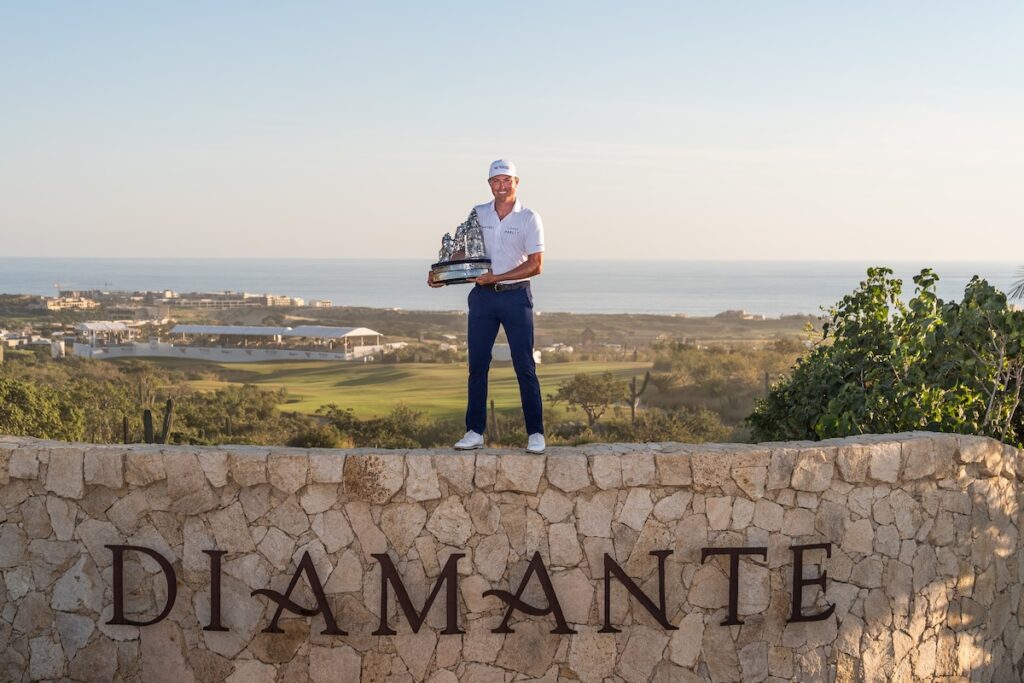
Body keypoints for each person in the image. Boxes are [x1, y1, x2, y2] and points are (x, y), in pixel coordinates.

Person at [428, 159, 546, 453]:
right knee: (477, 366)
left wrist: (499, 277)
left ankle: (535, 433)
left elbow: (536, 265)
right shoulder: (479, 213)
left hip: (516, 297)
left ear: (517, 183)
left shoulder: (530, 218)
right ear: (489, 184)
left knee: (525, 366)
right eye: (496, 181)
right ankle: (474, 431)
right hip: (483, 298)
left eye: (507, 180)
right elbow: (464, 250)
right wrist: (442, 272)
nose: (502, 186)